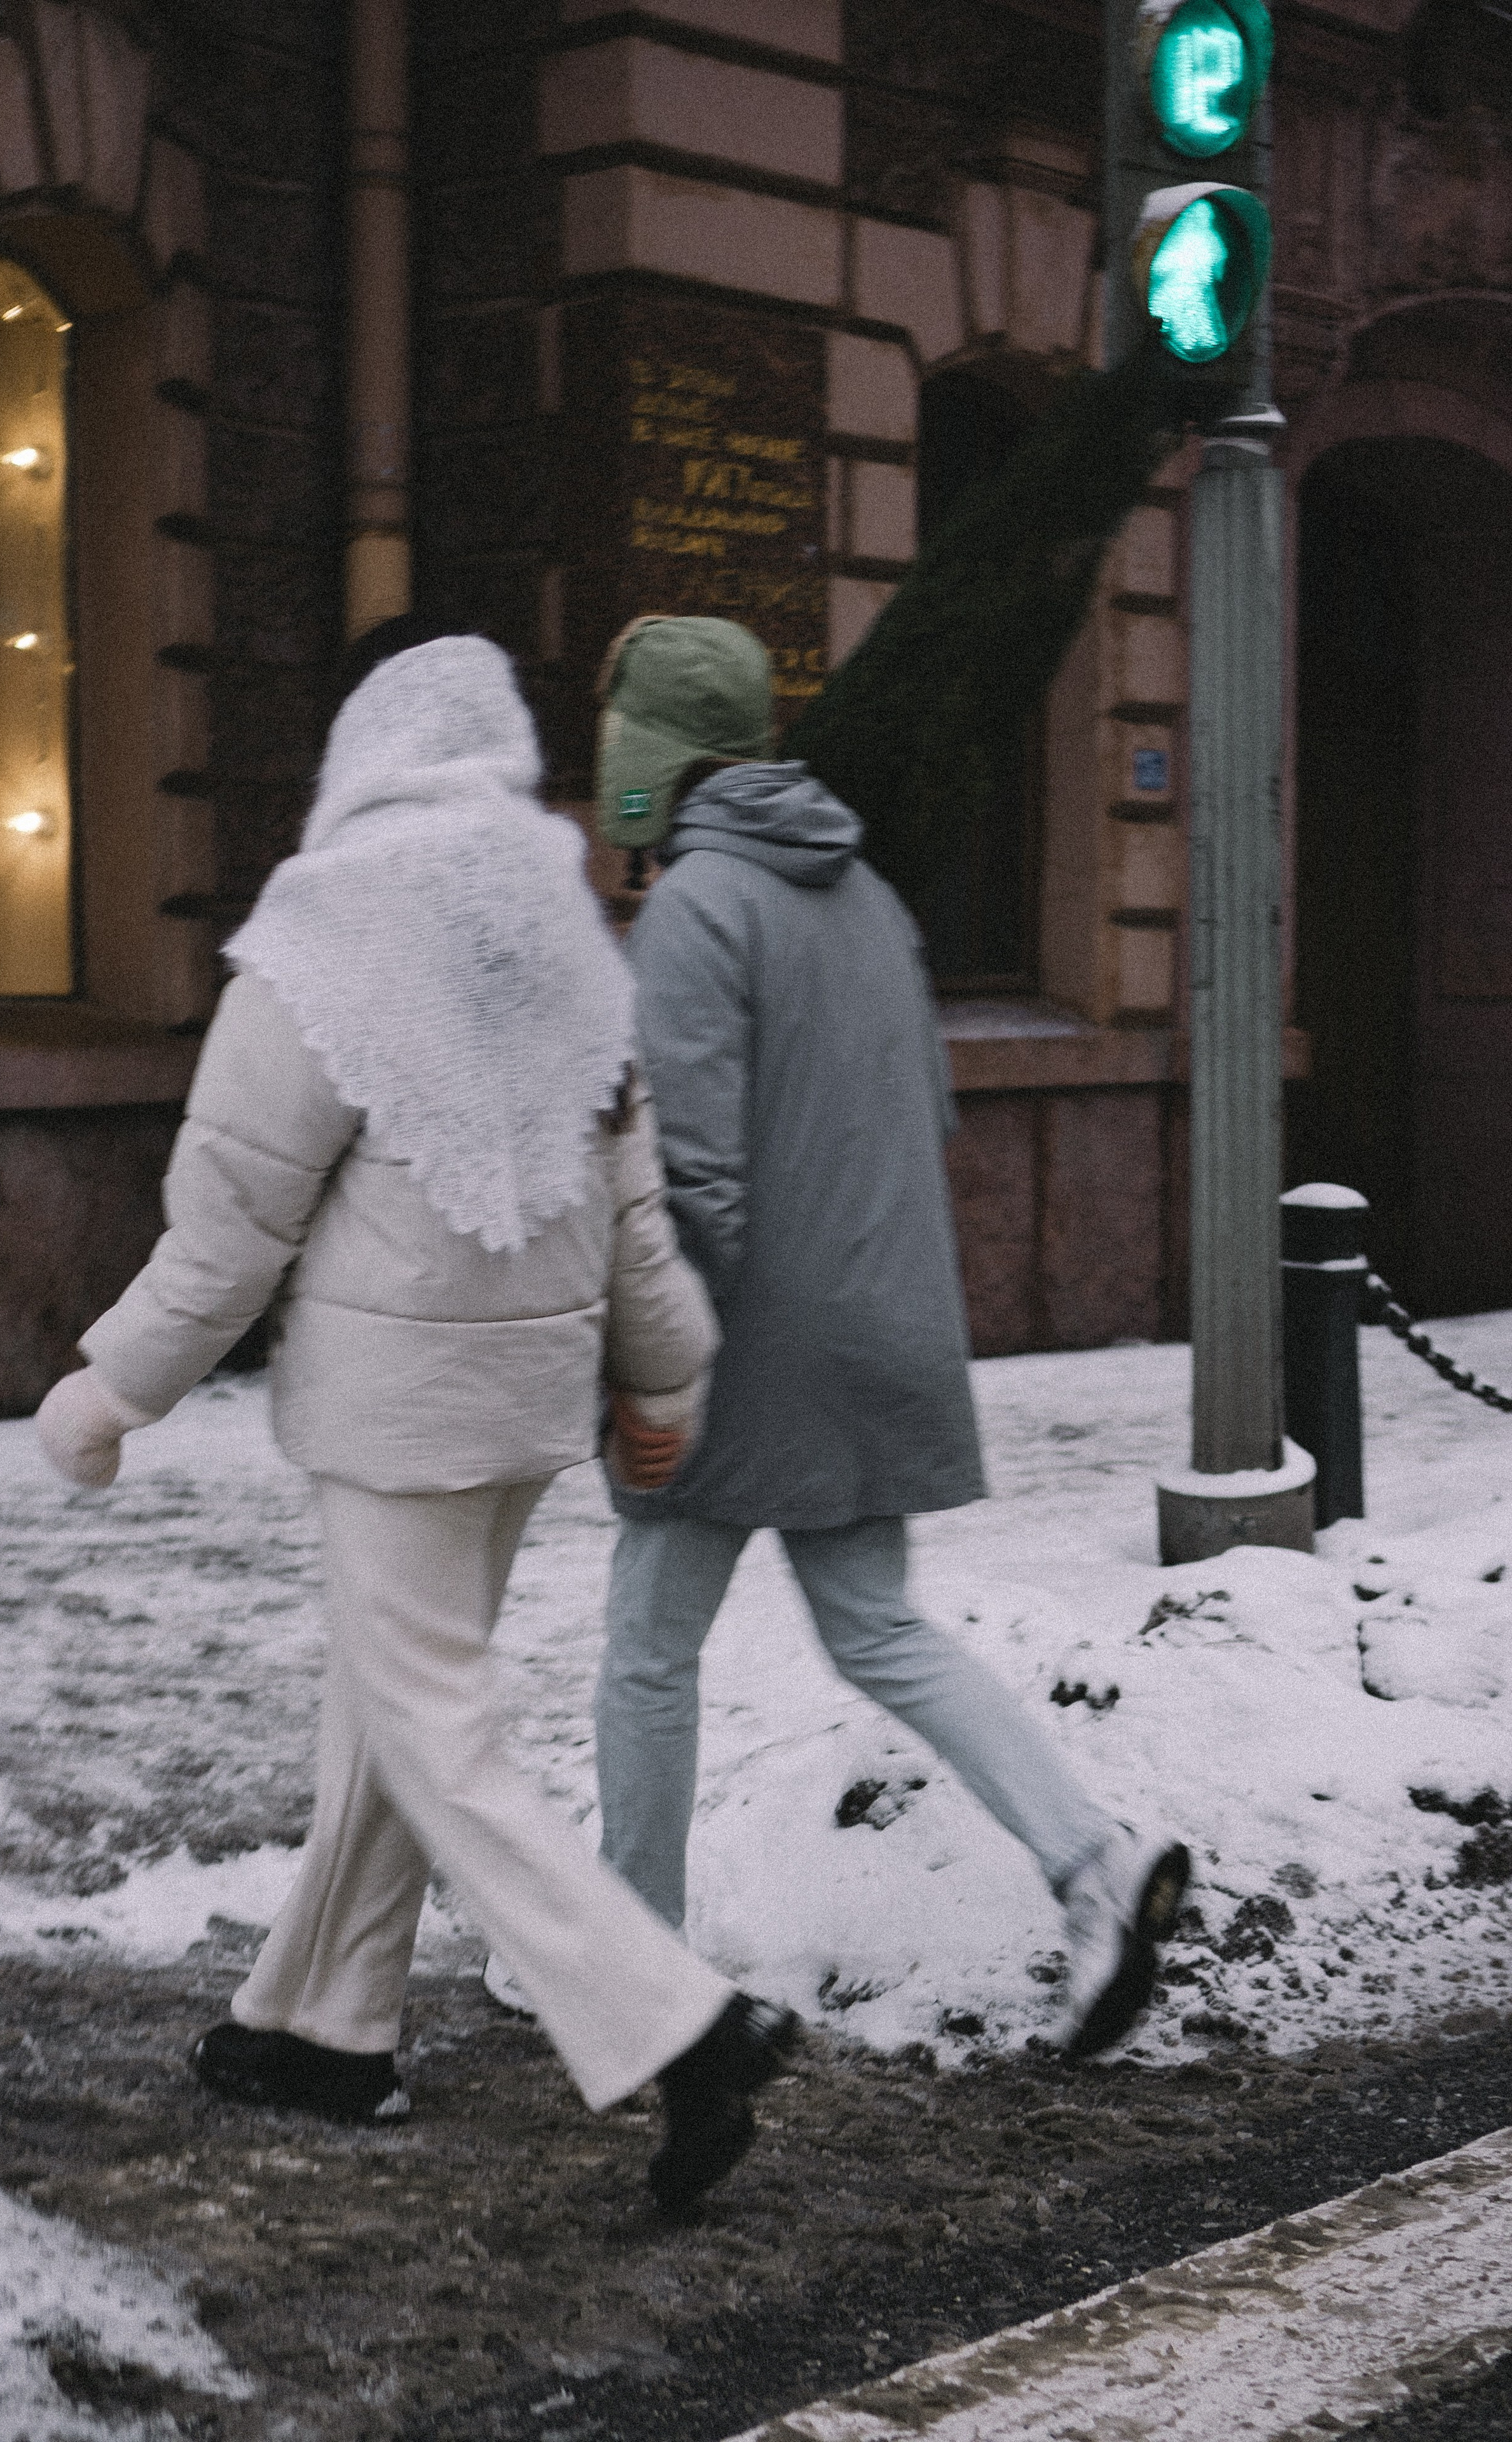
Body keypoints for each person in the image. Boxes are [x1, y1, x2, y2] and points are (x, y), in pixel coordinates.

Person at [34, 634, 797, 2212]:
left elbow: (229, 1223)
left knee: (435, 1724)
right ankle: (320, 2028)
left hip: (390, 1410)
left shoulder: (324, 936)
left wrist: (113, 1389)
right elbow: (630, 1196)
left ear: (363, 754)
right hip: (524, 1400)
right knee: (393, 1708)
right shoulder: (566, 926)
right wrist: (663, 1379)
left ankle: (676, 2025)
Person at [589, 615, 1190, 2059]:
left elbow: (693, 1181)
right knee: (877, 1629)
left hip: (747, 1349)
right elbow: (924, 1118)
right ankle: (1088, 1864)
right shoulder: (868, 896)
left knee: (647, 1648)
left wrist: (645, 1363)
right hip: (885, 1328)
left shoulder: (692, 909)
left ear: (645, 760)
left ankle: (630, 1966)